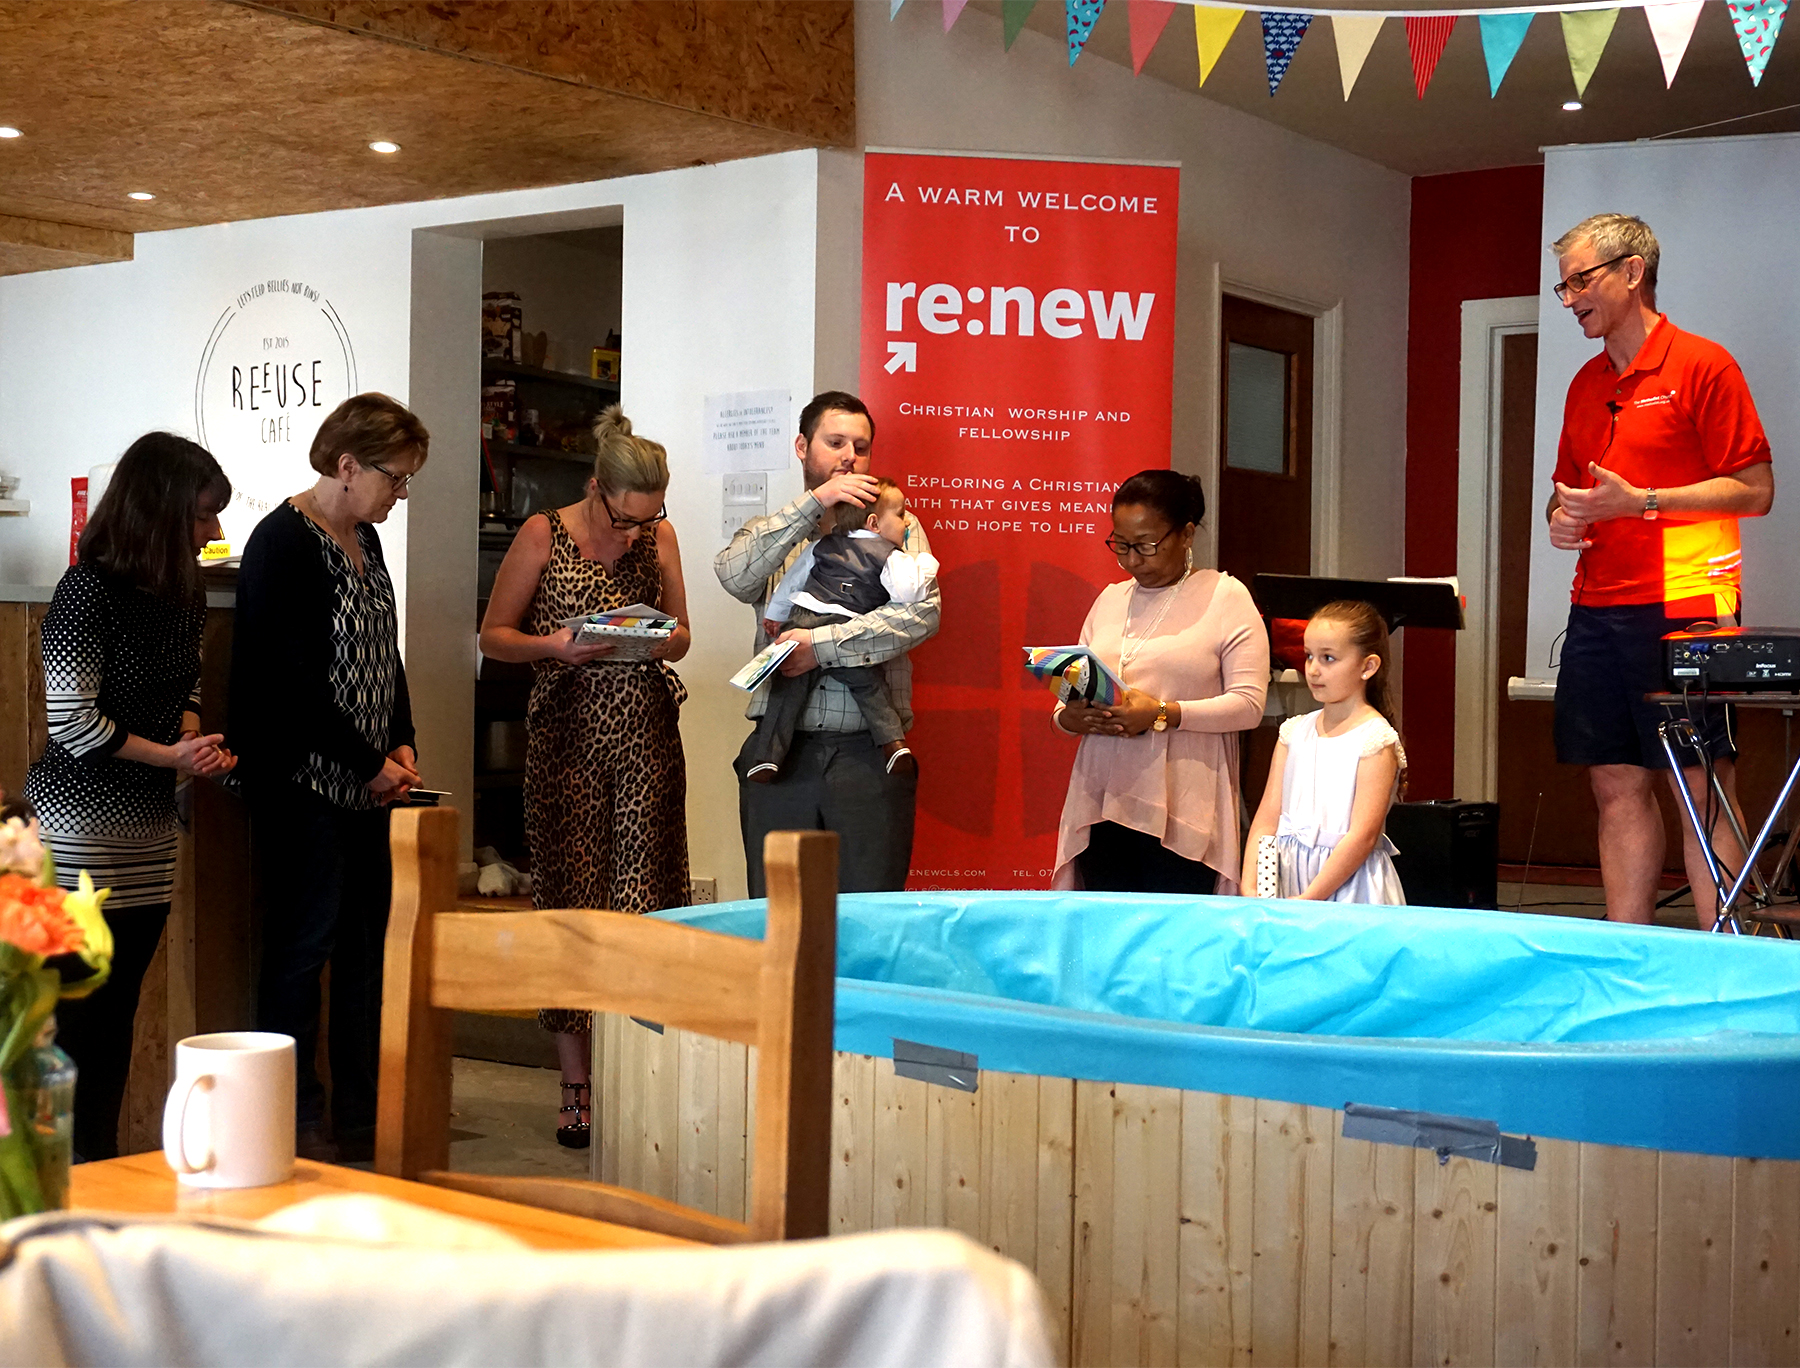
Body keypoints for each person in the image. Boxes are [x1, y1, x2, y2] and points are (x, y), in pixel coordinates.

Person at [1545, 213, 1774, 928]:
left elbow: (1756, 489)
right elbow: (1567, 492)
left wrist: (1644, 501)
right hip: (1596, 606)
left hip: (1686, 600)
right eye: (1563, 287)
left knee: (1701, 787)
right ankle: (1630, 953)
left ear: (1632, 271)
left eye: (1580, 281)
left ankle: (1728, 960)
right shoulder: (1584, 384)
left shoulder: (1704, 364)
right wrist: (1563, 518)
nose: (1571, 299)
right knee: (1614, 784)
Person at [479, 406, 690, 1149]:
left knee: (646, 903)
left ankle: (643, 1076)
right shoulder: (543, 533)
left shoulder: (660, 535)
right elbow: (493, 637)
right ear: (596, 488)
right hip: (566, 738)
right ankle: (576, 1084)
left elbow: (682, 636)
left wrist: (653, 637)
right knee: (571, 903)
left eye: (648, 518)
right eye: (627, 518)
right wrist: (554, 646)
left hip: (646, 737)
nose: (636, 533)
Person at [23, 433, 236, 1161]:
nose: (213, 530)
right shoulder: (86, 591)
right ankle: (58, 1182)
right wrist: (172, 756)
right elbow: (72, 723)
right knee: (71, 1025)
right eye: (203, 514)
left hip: (147, 835)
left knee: (116, 1021)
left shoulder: (184, 592)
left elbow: (189, 686)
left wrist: (193, 740)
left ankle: (99, 1171)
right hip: (75, 832)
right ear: (160, 510)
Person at [230, 393, 426, 1163]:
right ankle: (292, 1118)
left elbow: (384, 651)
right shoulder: (282, 541)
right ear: (347, 465)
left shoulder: (366, 538)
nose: (400, 492)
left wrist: (401, 741)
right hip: (303, 782)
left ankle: (362, 1115)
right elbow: (290, 683)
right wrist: (367, 762)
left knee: (365, 954)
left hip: (367, 782)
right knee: (302, 950)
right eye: (395, 477)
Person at [715, 392, 939, 897]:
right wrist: (816, 503)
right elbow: (734, 578)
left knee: (870, 918)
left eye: (861, 447)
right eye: (835, 443)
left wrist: (820, 646)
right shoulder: (773, 529)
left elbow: (922, 615)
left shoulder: (897, 527)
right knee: (779, 913)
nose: (849, 458)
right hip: (778, 754)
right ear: (802, 447)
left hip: (868, 753)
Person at [1052, 470, 1268, 894]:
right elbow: (1066, 700)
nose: (1132, 560)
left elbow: (1248, 706)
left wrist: (1162, 713)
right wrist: (1070, 718)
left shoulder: (1225, 596)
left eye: (1146, 545)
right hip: (1102, 801)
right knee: (1106, 925)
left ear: (1185, 534)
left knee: (1176, 926)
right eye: (1121, 545)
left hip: (1183, 808)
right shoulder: (1110, 599)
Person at [744, 477, 939, 782]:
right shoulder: (891, 555)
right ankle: (893, 744)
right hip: (846, 623)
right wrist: (925, 562)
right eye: (901, 515)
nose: (907, 523)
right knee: (870, 686)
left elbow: (792, 581)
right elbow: (909, 592)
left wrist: (775, 614)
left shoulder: (822, 545)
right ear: (874, 523)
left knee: (787, 689)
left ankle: (768, 757)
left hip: (804, 617)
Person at [1243, 602, 1407, 903]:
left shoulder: (1374, 739)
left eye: (1328, 658)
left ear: (1368, 667)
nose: (1313, 669)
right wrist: (1250, 883)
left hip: (1348, 886)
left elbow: (1362, 836)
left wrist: (1310, 898)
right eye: (1309, 656)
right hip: (1291, 879)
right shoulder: (1294, 732)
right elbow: (1267, 817)